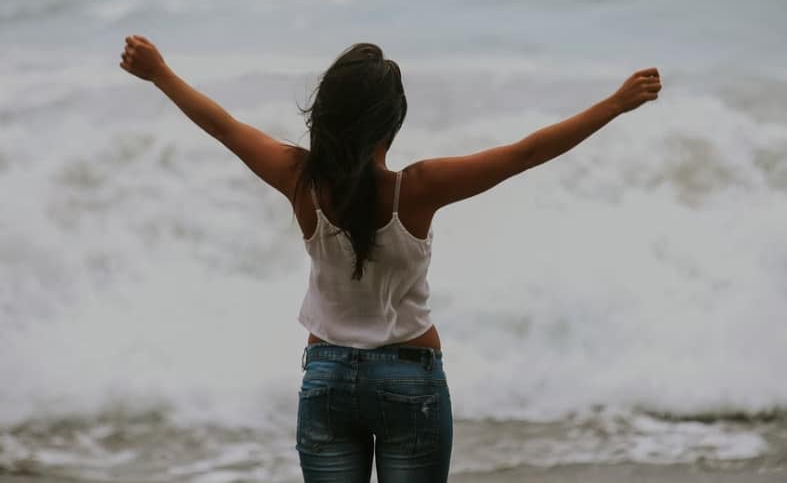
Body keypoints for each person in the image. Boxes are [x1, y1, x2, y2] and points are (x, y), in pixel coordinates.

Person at [119, 36, 661, 482]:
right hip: (410, 379)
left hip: (326, 377)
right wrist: (614, 104)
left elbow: (222, 126)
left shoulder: (300, 180)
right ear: (392, 120)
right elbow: (524, 154)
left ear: (327, 115)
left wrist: (160, 72)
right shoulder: (418, 188)